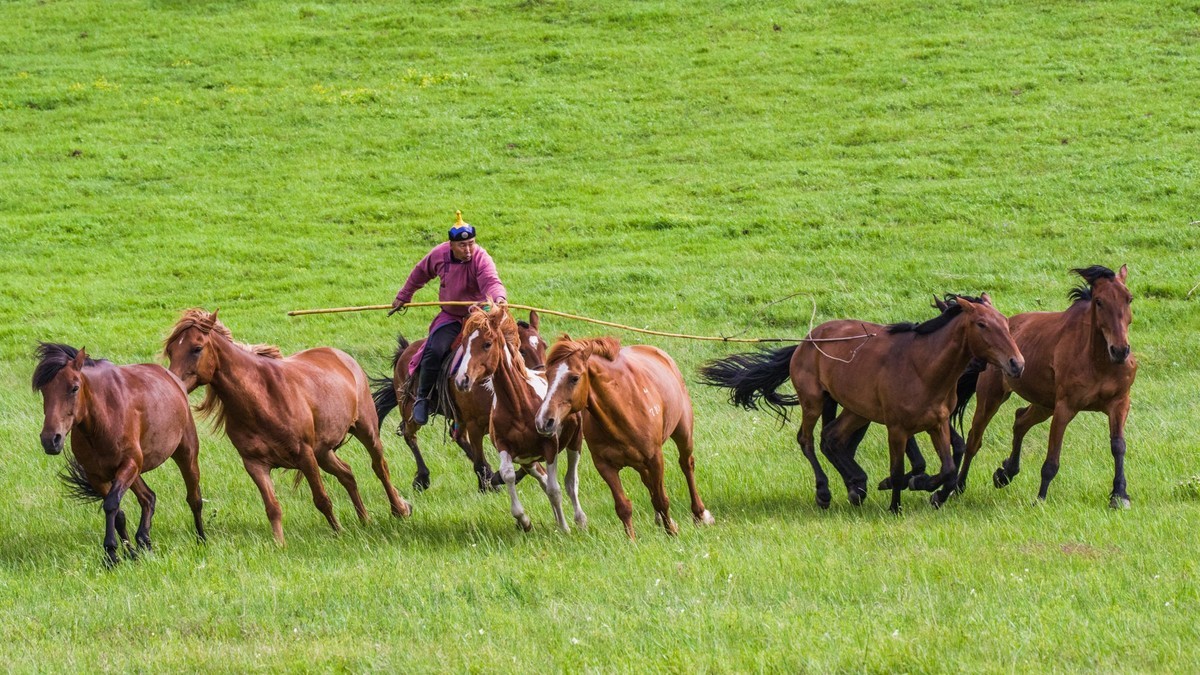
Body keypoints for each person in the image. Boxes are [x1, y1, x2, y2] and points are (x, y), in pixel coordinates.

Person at [390, 210, 508, 425]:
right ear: (451, 245)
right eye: (463, 245)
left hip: (479, 318)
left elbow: (492, 281)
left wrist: (498, 299)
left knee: (511, 344)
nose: (468, 249)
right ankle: (423, 399)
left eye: (471, 243)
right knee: (434, 350)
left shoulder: (481, 258)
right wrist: (403, 296)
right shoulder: (439, 254)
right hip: (451, 317)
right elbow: (420, 273)